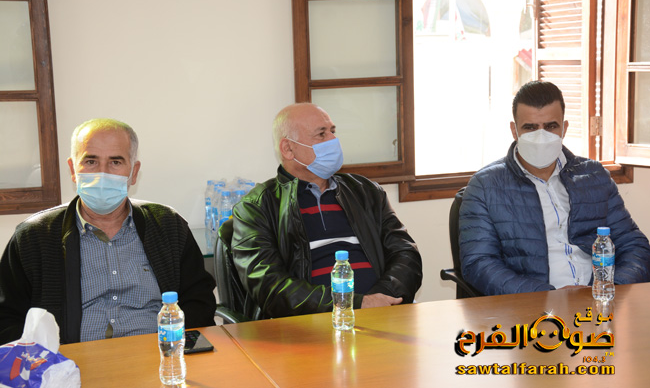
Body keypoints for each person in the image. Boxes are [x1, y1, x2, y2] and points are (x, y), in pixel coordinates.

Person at [0, 118, 216, 344]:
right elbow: (7, 318)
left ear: (133, 172)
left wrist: (175, 348)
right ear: (73, 169)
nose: (102, 173)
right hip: (73, 360)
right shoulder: (33, 237)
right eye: (91, 161)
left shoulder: (168, 226)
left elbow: (199, 301)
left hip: (158, 354)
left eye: (115, 162)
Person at [228, 103, 422, 319]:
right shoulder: (257, 206)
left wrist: (381, 298)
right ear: (288, 149)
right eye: (321, 134)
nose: (333, 140)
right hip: (309, 325)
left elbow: (406, 254)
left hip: (383, 314)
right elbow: (269, 285)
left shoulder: (366, 192)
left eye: (333, 131)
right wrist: (354, 305)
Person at [459, 80, 650, 295]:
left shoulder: (594, 176)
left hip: (599, 300)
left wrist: (609, 289)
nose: (541, 136)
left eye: (550, 127)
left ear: (564, 128)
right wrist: (547, 296)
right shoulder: (485, 186)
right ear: (514, 130)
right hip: (533, 305)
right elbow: (479, 263)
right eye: (530, 128)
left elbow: (634, 245)